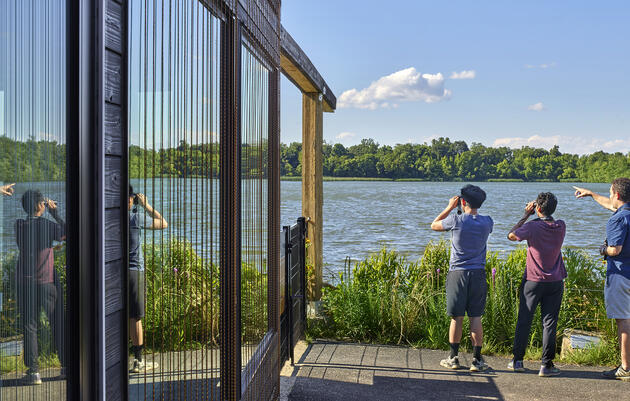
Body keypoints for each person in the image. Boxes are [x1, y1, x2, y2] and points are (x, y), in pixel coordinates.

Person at [431, 184, 493, 371]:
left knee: (456, 317)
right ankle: (477, 360)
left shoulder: (455, 220)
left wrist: (450, 207)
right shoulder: (488, 221)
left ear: (462, 201)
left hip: (457, 272)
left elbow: (434, 225)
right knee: (476, 317)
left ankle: (453, 357)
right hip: (478, 273)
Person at [574, 179, 630, 380]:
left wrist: (602, 249)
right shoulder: (626, 213)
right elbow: (610, 204)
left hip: (621, 275)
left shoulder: (617, 220)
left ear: (616, 194)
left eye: (610, 192)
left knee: (623, 321)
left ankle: (625, 367)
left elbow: (615, 250)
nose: (608, 196)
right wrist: (591, 194)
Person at [507, 192, 566, 377]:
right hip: (555, 281)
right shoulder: (561, 226)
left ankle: (517, 361)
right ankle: (546, 365)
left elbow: (511, 235)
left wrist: (526, 215)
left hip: (532, 281)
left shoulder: (532, 227)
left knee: (524, 320)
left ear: (537, 208)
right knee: (549, 323)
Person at [15, 189, 66, 385]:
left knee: (29, 326)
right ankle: (65, 366)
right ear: (39, 206)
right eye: (43, 203)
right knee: (58, 323)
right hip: (47, 282)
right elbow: (68, 232)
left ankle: (33, 372)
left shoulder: (19, 225)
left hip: (25, 283)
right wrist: (55, 213)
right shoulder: (47, 225)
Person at [128, 185, 167, 373]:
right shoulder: (135, 218)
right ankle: (138, 361)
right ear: (130, 200)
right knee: (135, 317)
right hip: (134, 271)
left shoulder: (107, 219)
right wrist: (146, 205)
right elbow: (163, 222)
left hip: (113, 272)